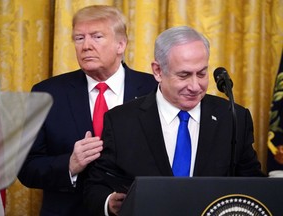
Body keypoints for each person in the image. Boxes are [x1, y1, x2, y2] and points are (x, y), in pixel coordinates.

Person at [83, 26, 266, 216]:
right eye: (184, 75)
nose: (195, 86)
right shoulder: (121, 120)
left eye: (202, 74)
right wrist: (109, 202)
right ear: (158, 71)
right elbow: (96, 186)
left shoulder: (233, 117)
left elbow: (252, 184)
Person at [17, 5, 157, 216]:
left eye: (97, 37)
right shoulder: (47, 93)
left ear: (121, 44)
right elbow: (26, 168)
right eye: (79, 38)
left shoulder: (154, 90)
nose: (86, 46)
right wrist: (70, 165)